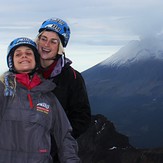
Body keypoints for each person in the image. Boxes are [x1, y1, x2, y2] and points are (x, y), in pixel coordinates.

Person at [0, 37, 80, 163]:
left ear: (36, 60)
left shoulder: (48, 97)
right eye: (18, 54)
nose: (24, 56)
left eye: (28, 53)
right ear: (12, 62)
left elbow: (64, 136)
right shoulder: (3, 91)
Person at [35, 17, 91, 162]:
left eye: (53, 41)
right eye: (44, 38)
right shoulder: (24, 70)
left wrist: (55, 140)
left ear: (60, 47)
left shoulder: (72, 78)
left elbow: (82, 117)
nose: (46, 44)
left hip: (54, 154)